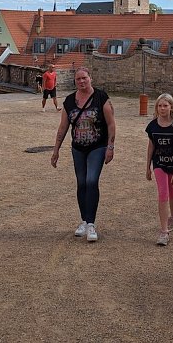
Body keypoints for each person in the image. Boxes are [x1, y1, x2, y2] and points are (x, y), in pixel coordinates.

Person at [51, 67, 116, 243]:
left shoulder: (101, 97)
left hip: (97, 146)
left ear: (90, 78)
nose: (81, 81)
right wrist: (56, 149)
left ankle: (91, 224)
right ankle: (84, 221)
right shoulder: (70, 101)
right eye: (78, 79)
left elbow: (111, 124)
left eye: (84, 78)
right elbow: (63, 127)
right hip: (78, 148)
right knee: (81, 183)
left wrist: (110, 146)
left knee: (91, 181)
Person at [145, 93, 173, 246]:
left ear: (171, 107)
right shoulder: (153, 126)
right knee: (163, 193)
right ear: (157, 108)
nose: (162, 108)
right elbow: (151, 147)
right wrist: (148, 166)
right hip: (159, 164)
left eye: (165, 105)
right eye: (160, 106)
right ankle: (164, 232)